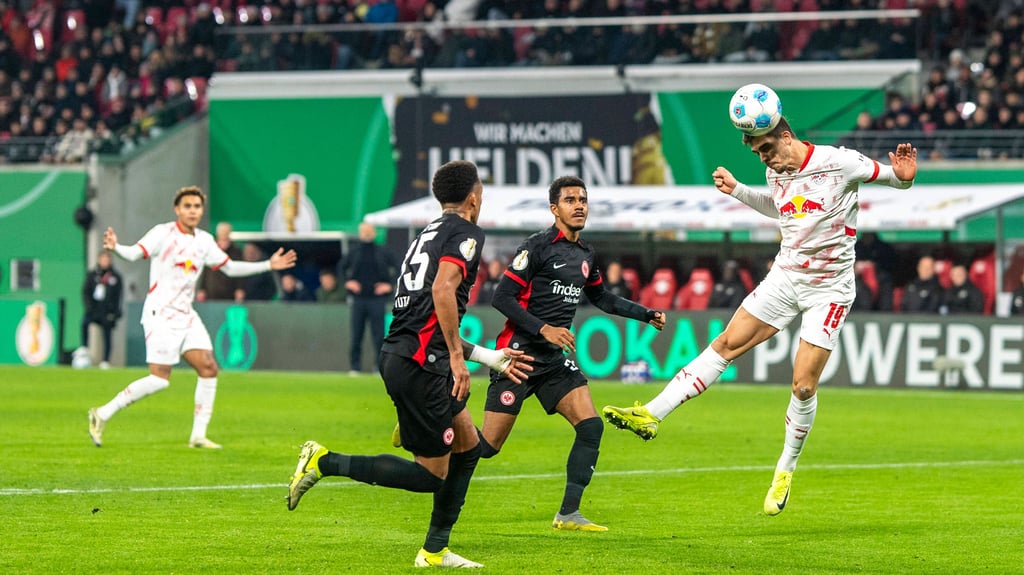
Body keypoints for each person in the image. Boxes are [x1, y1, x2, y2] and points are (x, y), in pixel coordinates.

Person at [602, 115, 918, 516]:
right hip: (786, 277)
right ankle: (652, 414)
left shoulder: (839, 162)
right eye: (757, 153)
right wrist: (738, 190)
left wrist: (904, 176)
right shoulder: (775, 173)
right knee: (725, 344)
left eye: (767, 149)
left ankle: (785, 469)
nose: (764, 159)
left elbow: (894, 177)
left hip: (829, 290)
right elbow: (781, 209)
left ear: (787, 136)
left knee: (803, 386)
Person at [286, 160, 533, 568]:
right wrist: (458, 359)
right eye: (482, 191)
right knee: (430, 475)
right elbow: (442, 289)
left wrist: (487, 357)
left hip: (409, 354)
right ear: (474, 197)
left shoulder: (428, 233)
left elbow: (428, 318)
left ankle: (435, 549)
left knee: (469, 449)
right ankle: (323, 461)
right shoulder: (466, 233)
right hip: (423, 364)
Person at [480, 175, 667, 531]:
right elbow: (500, 298)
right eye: (570, 200)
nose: (579, 205)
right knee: (488, 446)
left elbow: (601, 297)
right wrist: (543, 328)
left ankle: (568, 514)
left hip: (553, 361)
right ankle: (428, 430)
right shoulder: (535, 247)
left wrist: (644, 314)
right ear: (555, 209)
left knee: (591, 426)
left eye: (583, 199)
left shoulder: (586, 253)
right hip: (519, 356)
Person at [87, 186, 297, 449]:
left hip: (186, 315)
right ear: (177, 209)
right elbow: (134, 253)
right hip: (160, 314)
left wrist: (268, 265)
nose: (193, 211)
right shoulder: (163, 233)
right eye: (187, 206)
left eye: (197, 206)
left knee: (208, 368)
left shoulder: (204, 241)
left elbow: (230, 268)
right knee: (160, 379)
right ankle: (102, 413)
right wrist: (116, 247)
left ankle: (198, 435)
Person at [339, 222, 400, 373]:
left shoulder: (383, 251)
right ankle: (355, 367)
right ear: (360, 233)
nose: (366, 233)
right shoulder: (354, 252)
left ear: (374, 232)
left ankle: (378, 367)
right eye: (363, 231)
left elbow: (400, 268)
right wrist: (348, 283)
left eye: (369, 230)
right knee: (356, 334)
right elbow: (341, 268)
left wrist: (390, 285)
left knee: (379, 335)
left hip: (377, 300)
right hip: (359, 299)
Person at [78, 251, 124, 369]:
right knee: (84, 323)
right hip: (93, 309)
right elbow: (85, 292)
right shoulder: (92, 275)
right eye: (103, 259)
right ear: (99, 260)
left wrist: (115, 312)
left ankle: (105, 361)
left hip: (107, 311)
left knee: (107, 335)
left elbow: (118, 296)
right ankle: (84, 349)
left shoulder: (115, 277)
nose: (105, 261)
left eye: (107, 259)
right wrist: (89, 307)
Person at [197, 222, 244, 302]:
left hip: (230, 293)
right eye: (221, 231)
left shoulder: (236, 252)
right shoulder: (210, 249)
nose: (223, 233)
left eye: (226, 231)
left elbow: (240, 271)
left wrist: (240, 288)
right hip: (211, 292)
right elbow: (205, 270)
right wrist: (202, 289)